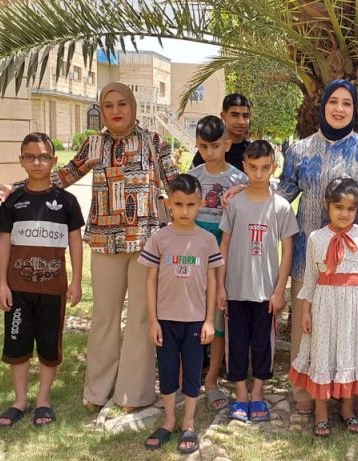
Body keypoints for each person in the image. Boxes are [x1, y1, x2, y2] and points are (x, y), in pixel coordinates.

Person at [0, 82, 180, 414]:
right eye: (108, 105)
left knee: (140, 318)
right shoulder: (94, 144)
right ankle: (98, 389)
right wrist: (17, 187)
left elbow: (177, 182)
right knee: (104, 318)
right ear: (102, 110)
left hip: (147, 243)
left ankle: (133, 394)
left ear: (133, 106)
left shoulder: (154, 142)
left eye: (122, 103)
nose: (116, 110)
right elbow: (62, 176)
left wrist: (221, 189)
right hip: (105, 241)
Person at [275, 79, 358, 413]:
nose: (339, 109)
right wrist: (251, 191)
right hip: (307, 259)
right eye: (333, 102)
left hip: (353, 266)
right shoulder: (299, 150)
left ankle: (347, 395)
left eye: (347, 103)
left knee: (348, 329)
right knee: (308, 328)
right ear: (322, 105)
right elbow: (284, 193)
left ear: (354, 109)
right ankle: (306, 396)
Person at [0, 133, 84, 428]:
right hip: (18, 290)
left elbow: (76, 243)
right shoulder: (13, 201)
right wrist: (2, 284)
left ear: (54, 161)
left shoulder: (66, 202)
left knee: (48, 346)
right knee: (17, 346)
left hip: (52, 290)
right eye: (30, 157)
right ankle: (19, 401)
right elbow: (3, 244)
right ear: (21, 161)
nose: (37, 162)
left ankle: (43, 400)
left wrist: (76, 281)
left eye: (44, 157)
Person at [289, 178, 358, 437]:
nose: (344, 213)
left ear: (357, 209)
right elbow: (311, 278)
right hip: (325, 306)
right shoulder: (316, 238)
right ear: (327, 206)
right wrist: (305, 311)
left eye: (351, 209)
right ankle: (321, 411)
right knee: (323, 352)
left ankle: (347, 409)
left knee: (350, 353)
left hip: (356, 308)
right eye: (339, 207)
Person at [141, 174, 223, 454]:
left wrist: (209, 320)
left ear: (200, 204)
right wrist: (153, 321)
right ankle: (168, 421)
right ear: (169, 205)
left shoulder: (207, 240)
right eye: (178, 204)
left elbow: (212, 281)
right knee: (166, 372)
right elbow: (150, 280)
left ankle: (188, 422)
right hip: (165, 320)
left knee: (191, 373)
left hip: (195, 321)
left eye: (190, 204)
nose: (185, 210)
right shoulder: (159, 238)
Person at [217, 140, 299, 422]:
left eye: (265, 167)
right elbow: (224, 245)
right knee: (237, 342)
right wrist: (221, 285)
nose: (259, 173)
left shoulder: (281, 207)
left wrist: (280, 290)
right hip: (236, 289)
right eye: (253, 167)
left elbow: (288, 250)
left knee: (263, 344)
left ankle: (258, 393)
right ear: (245, 167)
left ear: (273, 168)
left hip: (266, 291)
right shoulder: (235, 203)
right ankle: (241, 393)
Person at [187, 115, 248, 411]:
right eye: (203, 146)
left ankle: (212, 380)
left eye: (215, 146)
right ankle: (188, 378)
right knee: (191, 316)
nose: (209, 152)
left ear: (227, 144)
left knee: (218, 320)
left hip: (225, 258)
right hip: (194, 256)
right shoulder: (192, 177)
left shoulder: (239, 179)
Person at [192, 93, 252, 172]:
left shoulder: (253, 151)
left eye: (245, 116)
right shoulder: (209, 152)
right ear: (223, 116)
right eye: (235, 115)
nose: (241, 122)